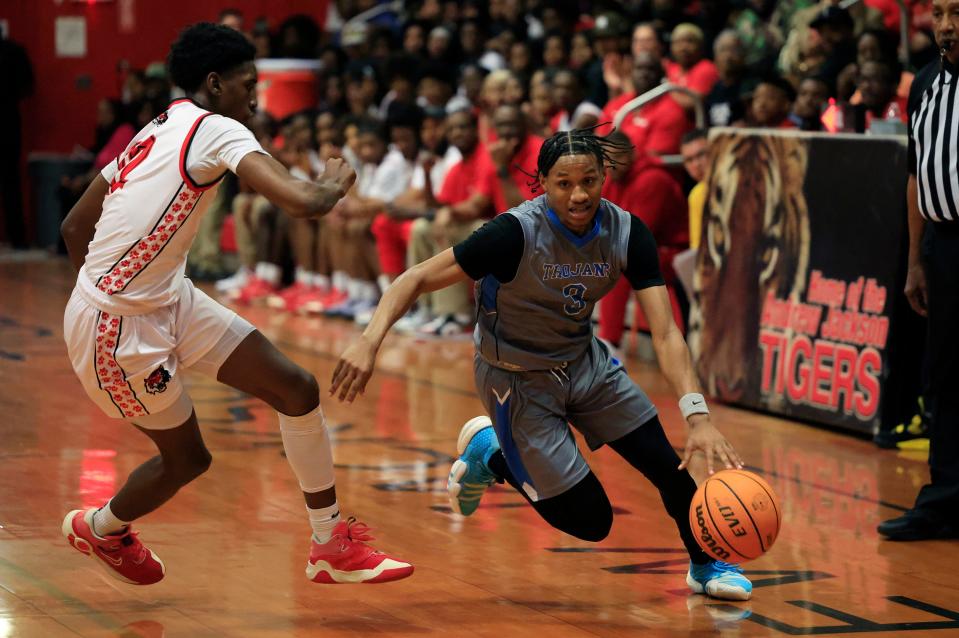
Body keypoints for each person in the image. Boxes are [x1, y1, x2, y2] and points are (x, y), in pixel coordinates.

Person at [330, 128, 753, 600]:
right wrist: (369, 340)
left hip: (584, 364)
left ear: (604, 178)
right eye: (564, 183)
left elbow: (668, 330)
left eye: (590, 181)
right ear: (543, 184)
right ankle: (490, 454)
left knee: (668, 465)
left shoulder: (628, 232)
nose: (579, 195)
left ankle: (705, 564)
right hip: (517, 379)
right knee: (592, 522)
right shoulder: (512, 234)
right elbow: (415, 278)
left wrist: (697, 416)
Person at [58, 23, 412, 586]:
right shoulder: (218, 129)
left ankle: (329, 545)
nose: (257, 97)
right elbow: (305, 202)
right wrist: (335, 181)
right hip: (115, 328)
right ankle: (99, 527)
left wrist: (120, 284)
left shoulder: (160, 123)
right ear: (216, 83)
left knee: (296, 389)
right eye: (250, 84)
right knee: (189, 460)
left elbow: (75, 225)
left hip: (169, 297)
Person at [878, 0, 959, 541]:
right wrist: (913, 261)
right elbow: (915, 174)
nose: (947, 26)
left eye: (958, 13)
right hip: (943, 242)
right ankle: (945, 501)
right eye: (939, 13)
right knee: (946, 376)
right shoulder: (926, 82)